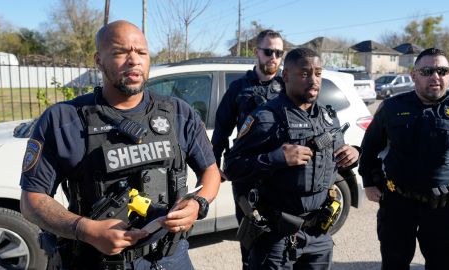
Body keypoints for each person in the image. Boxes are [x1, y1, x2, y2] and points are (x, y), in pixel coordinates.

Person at [19, 20, 220, 270]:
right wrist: (86, 230)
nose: (134, 60)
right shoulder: (62, 120)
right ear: (98, 60)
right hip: (95, 262)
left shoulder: (178, 113)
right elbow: (31, 200)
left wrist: (197, 203)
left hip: (170, 258)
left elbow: (211, 171)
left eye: (141, 52)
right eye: (120, 52)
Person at [224, 47, 360, 269]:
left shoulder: (328, 118)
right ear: (286, 76)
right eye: (305, 74)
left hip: (319, 235)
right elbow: (232, 167)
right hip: (276, 238)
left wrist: (354, 153)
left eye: (318, 73)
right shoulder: (265, 118)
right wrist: (276, 158)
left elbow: (336, 160)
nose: (314, 80)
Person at [359, 48, 449, 270]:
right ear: (414, 75)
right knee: (394, 265)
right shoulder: (393, 107)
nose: (435, 76)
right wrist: (369, 182)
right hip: (397, 205)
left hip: (446, 210)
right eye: (428, 71)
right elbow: (370, 146)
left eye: (442, 71)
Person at [211, 29, 285, 269]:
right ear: (257, 52)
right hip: (246, 173)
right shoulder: (238, 88)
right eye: (268, 51)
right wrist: (215, 165)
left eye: (278, 53)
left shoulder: (288, 87)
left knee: (280, 238)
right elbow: (222, 128)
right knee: (249, 236)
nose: (273, 57)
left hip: (278, 172)